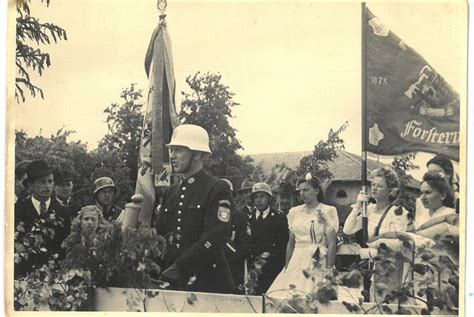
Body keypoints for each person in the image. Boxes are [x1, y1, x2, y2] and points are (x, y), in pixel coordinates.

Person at [155, 124, 234, 293]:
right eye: (172, 150)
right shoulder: (172, 190)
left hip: (208, 282)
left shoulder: (217, 188)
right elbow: (161, 233)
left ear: (197, 154)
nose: (172, 156)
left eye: (179, 150)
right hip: (171, 282)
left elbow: (215, 237)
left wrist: (182, 267)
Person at [267, 173, 338, 298]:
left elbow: (332, 243)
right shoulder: (295, 212)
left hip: (317, 258)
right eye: (300, 191)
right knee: (286, 295)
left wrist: (329, 270)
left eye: (306, 190)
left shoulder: (327, 211)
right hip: (297, 259)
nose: (302, 193)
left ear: (316, 191)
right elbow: (291, 243)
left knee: (312, 296)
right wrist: (287, 266)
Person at [343, 167, 409, 302]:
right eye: (373, 185)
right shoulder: (369, 209)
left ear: (390, 190)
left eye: (379, 186)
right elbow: (347, 230)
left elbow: (397, 245)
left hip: (390, 267)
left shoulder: (398, 212)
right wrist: (357, 206)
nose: (374, 188)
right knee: (374, 304)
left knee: (387, 304)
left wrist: (369, 251)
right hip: (373, 267)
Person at [14, 159, 71, 277]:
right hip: (23, 274)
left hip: (54, 276)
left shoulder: (63, 211)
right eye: (42, 182)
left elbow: (66, 245)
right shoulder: (18, 210)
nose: (47, 186)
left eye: (50, 181)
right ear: (30, 185)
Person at [247, 182, 289, 295]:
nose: (259, 200)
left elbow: (283, 244)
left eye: (262, 196)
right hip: (252, 268)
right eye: (256, 197)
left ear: (269, 198)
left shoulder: (279, 217)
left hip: (272, 267)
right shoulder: (248, 217)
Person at [221, 178, 252, 293]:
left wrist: (231, 260)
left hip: (234, 268)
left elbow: (245, 245)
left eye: (227, 194)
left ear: (232, 195)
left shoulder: (241, 217)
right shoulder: (210, 217)